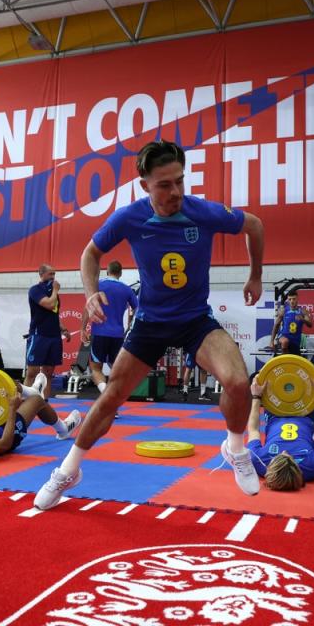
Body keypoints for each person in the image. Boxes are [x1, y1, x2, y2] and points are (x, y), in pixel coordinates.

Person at [34, 140, 265, 510]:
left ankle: (235, 447)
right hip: (150, 323)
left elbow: (254, 225)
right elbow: (90, 253)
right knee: (110, 397)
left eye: (179, 181)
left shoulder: (202, 212)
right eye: (164, 184)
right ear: (145, 185)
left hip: (194, 321)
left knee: (239, 382)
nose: (175, 191)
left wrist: (255, 276)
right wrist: (91, 292)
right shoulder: (129, 217)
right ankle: (68, 470)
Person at [246, 372, 314, 491]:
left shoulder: (258, 461)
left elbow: (253, 429)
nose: (285, 450)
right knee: (310, 376)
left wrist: (256, 396)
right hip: (305, 412)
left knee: (262, 377)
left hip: (275, 411)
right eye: (288, 455)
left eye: (280, 455)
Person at [80, 260, 137, 394]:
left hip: (99, 333)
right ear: (120, 273)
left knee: (96, 369)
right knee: (116, 369)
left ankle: (106, 397)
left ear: (107, 271)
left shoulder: (98, 285)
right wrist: (131, 327)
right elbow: (139, 309)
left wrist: (83, 328)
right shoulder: (127, 289)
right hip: (117, 335)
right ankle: (113, 400)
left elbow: (88, 308)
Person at [26, 264, 71, 399]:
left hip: (54, 336)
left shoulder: (53, 292)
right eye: (50, 274)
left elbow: (54, 313)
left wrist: (63, 328)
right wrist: (56, 290)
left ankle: (44, 402)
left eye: (54, 274)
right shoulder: (35, 290)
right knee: (32, 371)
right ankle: (24, 400)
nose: (53, 277)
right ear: (42, 274)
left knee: (48, 372)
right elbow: (50, 304)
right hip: (39, 335)